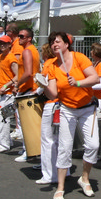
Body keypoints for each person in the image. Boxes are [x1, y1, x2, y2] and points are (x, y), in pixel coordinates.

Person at [42, 31, 100, 199]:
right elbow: (53, 94)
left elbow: (95, 78)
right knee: (65, 148)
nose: (54, 44)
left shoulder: (79, 58)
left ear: (67, 44)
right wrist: (43, 85)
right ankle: (60, 187)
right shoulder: (52, 66)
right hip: (67, 110)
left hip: (87, 108)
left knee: (93, 145)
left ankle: (84, 178)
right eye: (52, 42)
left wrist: (78, 83)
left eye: (57, 41)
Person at [14, 27, 42, 163]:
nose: (19, 38)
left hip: (27, 89)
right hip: (31, 88)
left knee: (25, 123)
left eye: (22, 36)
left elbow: (28, 72)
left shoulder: (27, 51)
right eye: (19, 36)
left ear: (29, 38)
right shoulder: (34, 50)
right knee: (29, 122)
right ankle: (29, 149)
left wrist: (17, 84)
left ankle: (28, 151)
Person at [36, 43, 62, 185]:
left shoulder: (48, 65)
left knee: (47, 140)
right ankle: (64, 171)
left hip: (51, 103)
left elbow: (43, 85)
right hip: (62, 104)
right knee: (59, 140)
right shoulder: (60, 63)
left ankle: (49, 175)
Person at [0, 35, 19, 153]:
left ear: (9, 45)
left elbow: (18, 75)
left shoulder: (11, 58)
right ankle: (7, 141)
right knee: (1, 118)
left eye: (4, 43)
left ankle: (4, 144)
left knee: (3, 118)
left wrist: (6, 86)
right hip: (1, 91)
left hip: (8, 93)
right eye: (1, 43)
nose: (2, 45)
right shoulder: (2, 56)